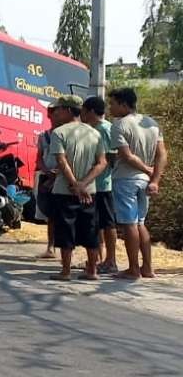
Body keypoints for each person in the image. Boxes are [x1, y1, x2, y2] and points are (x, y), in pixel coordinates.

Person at [108, 87, 168, 280]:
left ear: (124, 104)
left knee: (129, 224)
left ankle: (133, 268)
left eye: (113, 103)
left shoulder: (118, 125)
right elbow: (162, 154)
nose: (111, 107)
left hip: (126, 179)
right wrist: (154, 178)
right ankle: (147, 268)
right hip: (145, 182)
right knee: (141, 223)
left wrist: (146, 169)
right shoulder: (152, 123)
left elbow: (126, 156)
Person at [48, 94, 107, 281]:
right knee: (91, 230)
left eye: (57, 110)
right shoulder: (94, 133)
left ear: (67, 110)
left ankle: (65, 271)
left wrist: (75, 184)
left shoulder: (59, 133)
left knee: (65, 230)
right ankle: (92, 270)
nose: (55, 113)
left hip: (65, 191)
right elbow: (102, 163)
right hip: (89, 192)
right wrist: (84, 184)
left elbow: (61, 160)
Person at [81, 96, 119, 275]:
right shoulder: (96, 128)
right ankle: (96, 259)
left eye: (83, 111)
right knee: (96, 224)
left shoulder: (103, 129)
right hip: (96, 184)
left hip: (102, 184)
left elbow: (109, 157)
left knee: (107, 224)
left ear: (90, 112)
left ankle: (110, 260)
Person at [35, 110, 63, 259]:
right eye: (53, 115)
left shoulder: (67, 135)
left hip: (64, 178)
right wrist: (47, 171)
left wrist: (58, 173)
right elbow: (38, 158)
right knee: (50, 214)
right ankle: (51, 247)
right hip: (47, 178)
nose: (56, 117)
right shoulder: (44, 137)